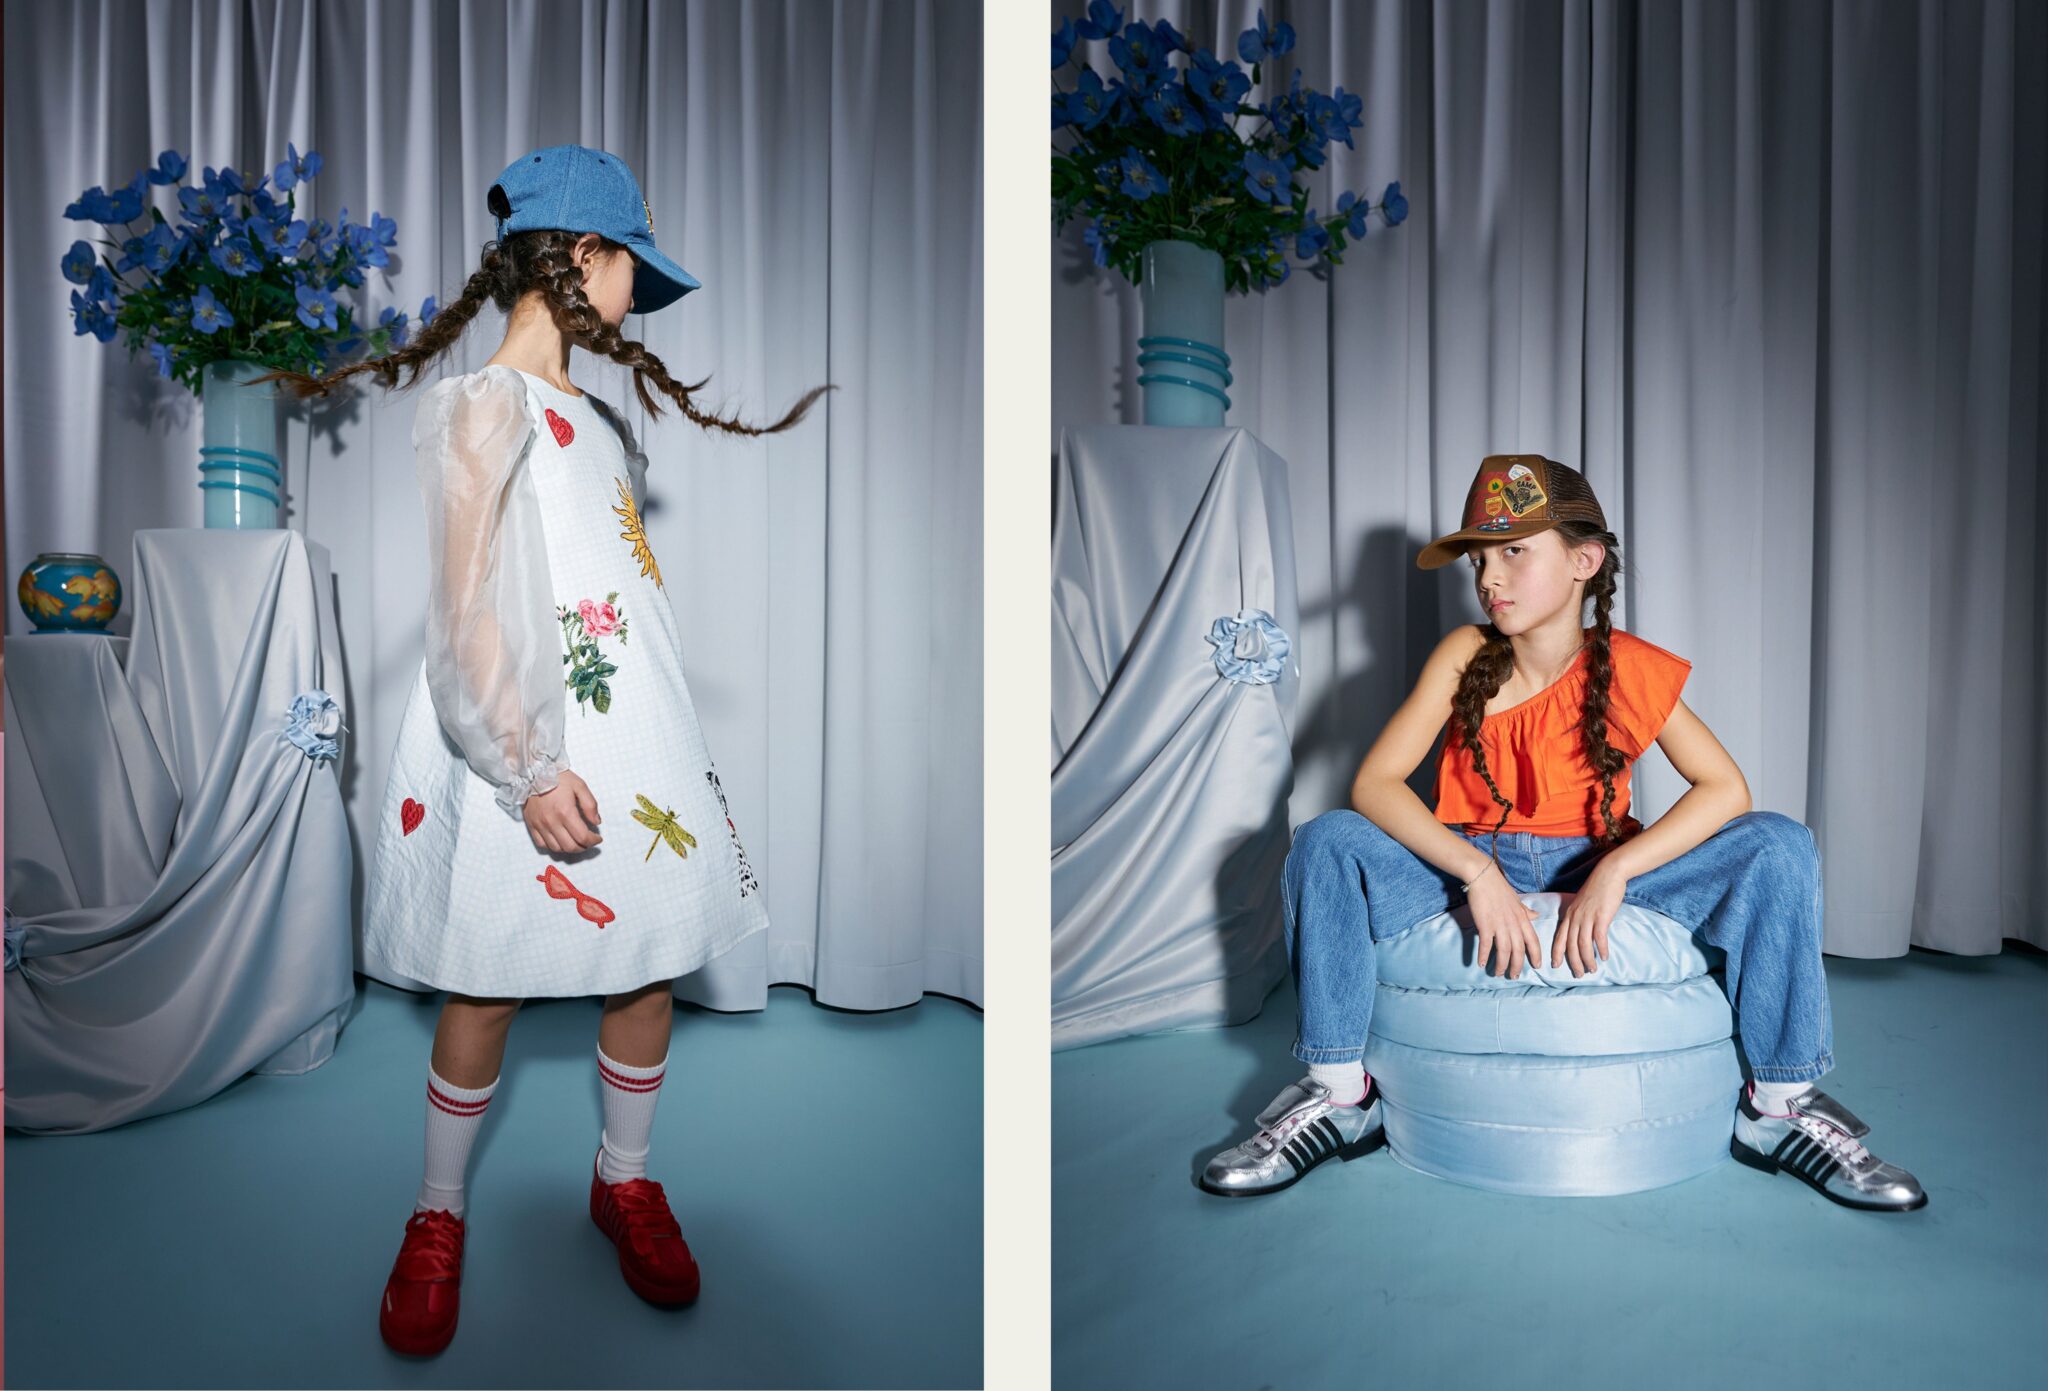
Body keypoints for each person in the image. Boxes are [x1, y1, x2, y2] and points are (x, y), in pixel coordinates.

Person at [252, 143, 830, 1356]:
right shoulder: (480, 407)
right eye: (632, 269)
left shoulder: (596, 419)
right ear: (584, 257)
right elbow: (468, 604)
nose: (636, 298)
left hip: (631, 734)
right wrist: (527, 766)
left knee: (645, 961)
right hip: (528, 736)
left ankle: (622, 1178)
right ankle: (437, 1209)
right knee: (488, 977)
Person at [1199, 454, 1924, 1213]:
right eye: (1481, 559)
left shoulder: (1628, 667)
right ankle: (1341, 1095)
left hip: (1604, 861)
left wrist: (1613, 873)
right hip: (1467, 860)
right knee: (1328, 839)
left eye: (1514, 551)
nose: (1490, 578)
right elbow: (1374, 783)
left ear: (1584, 560)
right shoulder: (1464, 654)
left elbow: (1727, 789)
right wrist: (1477, 876)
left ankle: (1779, 1105)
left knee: (1778, 840)